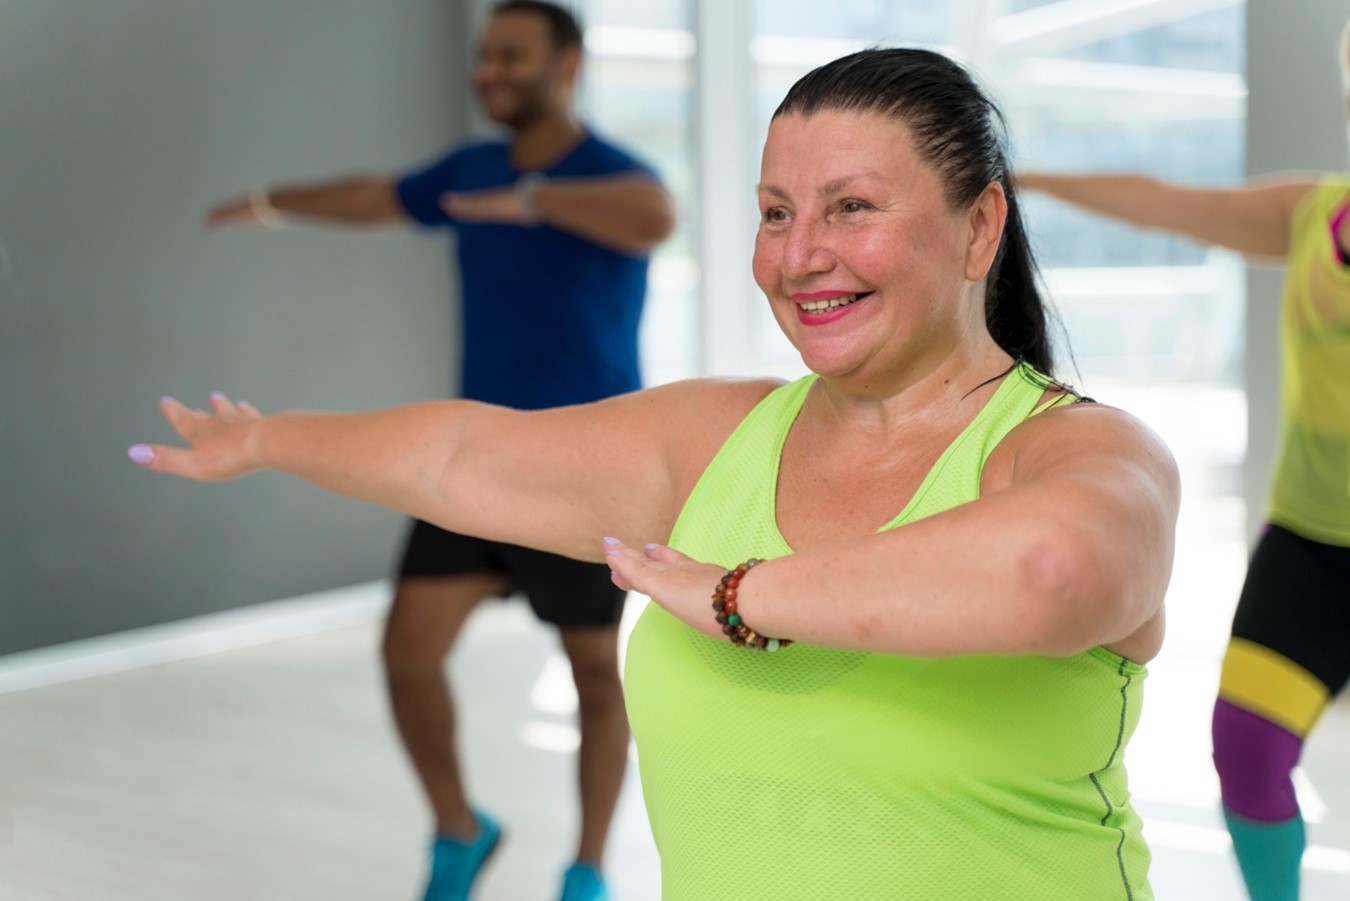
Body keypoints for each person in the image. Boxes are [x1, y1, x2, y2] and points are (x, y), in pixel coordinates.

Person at [135, 47, 1178, 899]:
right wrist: (268, 441)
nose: (800, 254)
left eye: (851, 207)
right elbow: (460, 455)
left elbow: (1052, 573)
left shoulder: (1076, 449)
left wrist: (735, 593)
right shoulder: (715, 436)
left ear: (980, 227)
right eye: (777, 212)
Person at [202, 3, 675, 900]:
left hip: (585, 470)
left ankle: (586, 869)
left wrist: (532, 202)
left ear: (566, 65)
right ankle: (461, 831)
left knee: (594, 678)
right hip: (472, 464)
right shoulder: (471, 168)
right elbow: (376, 194)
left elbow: (654, 216)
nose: (488, 69)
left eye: (511, 54)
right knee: (408, 650)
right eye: (482, 54)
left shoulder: (616, 174)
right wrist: (272, 203)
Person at [1018, 22, 1350, 901]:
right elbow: (1162, 199)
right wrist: (1027, 179)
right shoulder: (1318, 212)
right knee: (1248, 759)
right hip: (1313, 545)